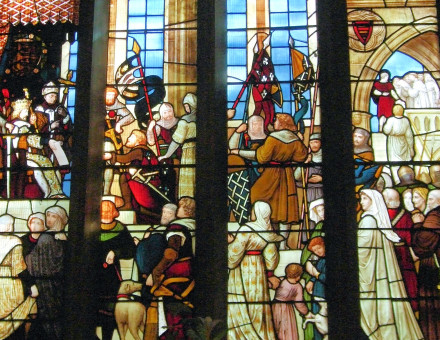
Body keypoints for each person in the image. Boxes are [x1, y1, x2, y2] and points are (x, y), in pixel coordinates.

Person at [232, 113, 308, 249]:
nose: (274, 123)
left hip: (272, 174)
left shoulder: (273, 139)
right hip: (287, 175)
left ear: (282, 124)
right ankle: (283, 244)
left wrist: (239, 152)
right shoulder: (295, 140)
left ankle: (267, 240)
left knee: (257, 197)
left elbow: (261, 157)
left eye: (276, 121)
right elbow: (302, 156)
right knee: (285, 208)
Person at [357, 189, 423, 339]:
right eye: (361, 199)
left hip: (372, 275)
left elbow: (362, 249)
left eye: (365, 199)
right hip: (379, 272)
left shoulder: (369, 220)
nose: (361, 202)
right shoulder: (376, 219)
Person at [227, 201, 283, 339]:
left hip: (243, 267)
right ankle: (262, 334)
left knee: (241, 298)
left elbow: (234, 255)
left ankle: (243, 335)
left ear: (257, 212)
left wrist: (229, 243)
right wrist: (269, 273)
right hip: (259, 268)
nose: (251, 212)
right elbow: (271, 257)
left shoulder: (246, 229)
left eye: (253, 210)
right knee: (258, 301)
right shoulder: (268, 231)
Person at [148, 197, 196, 339]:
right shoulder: (196, 225)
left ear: (185, 210)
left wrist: (156, 270)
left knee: (172, 307)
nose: (177, 209)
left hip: (178, 272)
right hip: (194, 270)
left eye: (179, 207)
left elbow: (171, 253)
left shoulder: (178, 227)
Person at [25, 205, 68, 340]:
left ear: (61, 219)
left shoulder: (55, 238)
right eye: (47, 215)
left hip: (55, 284)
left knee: (52, 316)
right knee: (48, 316)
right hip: (47, 283)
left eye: (53, 216)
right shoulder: (46, 237)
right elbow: (35, 260)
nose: (49, 219)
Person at [9, 98, 65, 198]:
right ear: (19, 111)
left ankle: (54, 192)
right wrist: (47, 141)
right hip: (20, 156)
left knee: (45, 161)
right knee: (41, 164)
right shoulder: (19, 125)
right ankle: (49, 192)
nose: (27, 114)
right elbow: (29, 139)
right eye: (25, 111)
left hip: (26, 154)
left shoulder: (21, 125)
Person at [97, 200, 136, 340]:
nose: (106, 214)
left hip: (111, 276)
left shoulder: (120, 229)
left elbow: (131, 250)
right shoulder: (91, 227)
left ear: (114, 212)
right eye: (103, 211)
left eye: (109, 210)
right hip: (91, 275)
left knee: (110, 310)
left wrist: (116, 252)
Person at [0, 214, 37, 339]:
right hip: (10, 283)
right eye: (8, 224)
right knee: (30, 305)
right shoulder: (14, 241)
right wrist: (32, 285)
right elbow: (19, 267)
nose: (10, 227)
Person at [382, 188, 418, 313]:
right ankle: (412, 309)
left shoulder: (382, 215)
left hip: (386, 252)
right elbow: (410, 237)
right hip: (404, 253)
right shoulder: (406, 215)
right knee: (408, 279)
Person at [412, 189, 440, 340]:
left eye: (430, 200)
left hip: (433, 273)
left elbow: (423, 244)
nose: (427, 203)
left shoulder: (435, 215)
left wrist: (417, 225)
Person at [158, 93, 197, 198]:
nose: (186, 108)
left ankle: (187, 200)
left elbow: (176, 141)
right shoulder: (204, 119)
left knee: (188, 178)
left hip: (189, 152)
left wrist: (166, 155)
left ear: (190, 105)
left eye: (186, 106)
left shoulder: (184, 121)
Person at [34, 81, 73, 162]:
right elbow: (37, 128)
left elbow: (68, 128)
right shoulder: (39, 110)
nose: (54, 98)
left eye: (55, 96)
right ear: (45, 97)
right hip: (45, 143)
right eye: (51, 96)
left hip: (59, 140)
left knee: (60, 164)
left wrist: (65, 116)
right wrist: (51, 127)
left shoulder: (60, 108)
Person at [272, 263, 310, 340]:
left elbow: (271, 285)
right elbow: (299, 303)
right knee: (287, 331)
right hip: (286, 310)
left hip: (274, 307)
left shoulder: (281, 280)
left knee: (275, 328)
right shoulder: (298, 287)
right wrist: (306, 312)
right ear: (298, 276)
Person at [382, 104, 414, 182]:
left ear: (393, 111)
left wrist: (384, 124)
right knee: (406, 161)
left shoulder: (391, 120)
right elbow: (409, 135)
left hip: (393, 142)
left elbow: (386, 130)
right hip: (404, 143)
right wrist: (411, 148)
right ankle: (409, 179)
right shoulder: (405, 120)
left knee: (394, 162)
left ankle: (397, 181)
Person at [304, 236, 327, 340]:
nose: (317, 252)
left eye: (318, 248)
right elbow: (317, 273)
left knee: (325, 323)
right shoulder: (321, 260)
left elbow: (327, 277)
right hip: (317, 295)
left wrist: (316, 275)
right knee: (317, 324)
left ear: (324, 245)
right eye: (314, 250)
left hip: (325, 296)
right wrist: (312, 281)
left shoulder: (332, 260)